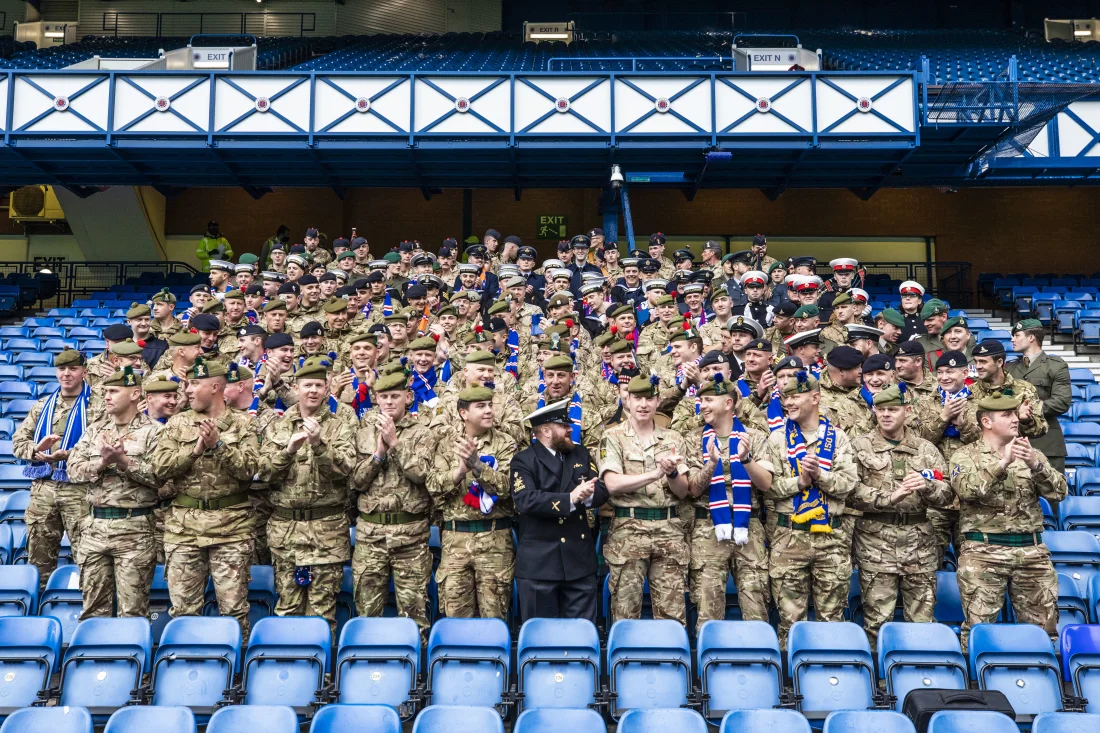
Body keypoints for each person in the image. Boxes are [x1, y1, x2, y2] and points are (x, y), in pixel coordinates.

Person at [151, 357, 260, 641]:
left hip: (232, 528)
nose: (186, 390)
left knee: (234, 610)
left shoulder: (243, 424)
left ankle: (235, 676)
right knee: (184, 610)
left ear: (215, 386)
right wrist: (196, 450)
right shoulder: (178, 423)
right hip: (184, 529)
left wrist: (219, 446)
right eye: (187, 383)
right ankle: (188, 667)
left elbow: (250, 470)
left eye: (194, 384)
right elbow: (160, 469)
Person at [949, 389, 1067, 651]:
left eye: (1015, 413)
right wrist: (1002, 463)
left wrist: (1036, 465)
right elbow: (967, 491)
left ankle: (1041, 683)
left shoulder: (1030, 453)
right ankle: (977, 688)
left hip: (1031, 553)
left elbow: (1059, 492)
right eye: (1007, 414)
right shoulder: (965, 456)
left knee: (1043, 632)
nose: (1015, 419)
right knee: (980, 631)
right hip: (983, 552)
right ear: (986, 422)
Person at [848, 384, 953, 648]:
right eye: (880, 409)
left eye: (892, 410)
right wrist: (888, 498)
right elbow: (848, 490)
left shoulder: (925, 449)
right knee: (877, 621)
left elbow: (948, 493)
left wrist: (927, 487)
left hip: (919, 542)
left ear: (907, 411)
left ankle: (921, 675)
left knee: (922, 620)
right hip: (875, 543)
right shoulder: (859, 446)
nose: (885, 415)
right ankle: (880, 683)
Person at [258, 357, 354, 637]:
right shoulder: (279, 425)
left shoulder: (340, 424)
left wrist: (320, 445)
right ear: (296, 389)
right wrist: (288, 451)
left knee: (322, 612)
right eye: (307, 385)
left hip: (326, 530)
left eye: (318, 386)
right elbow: (263, 472)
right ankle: (288, 670)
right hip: (285, 531)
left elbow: (346, 470)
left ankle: (320, 673)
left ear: (326, 390)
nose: (312, 391)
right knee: (287, 607)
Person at [765, 370, 858, 647]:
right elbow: (768, 489)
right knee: (789, 621)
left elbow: (847, 485)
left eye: (795, 396)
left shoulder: (838, 438)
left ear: (815, 397)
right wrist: (801, 481)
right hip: (789, 537)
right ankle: (791, 684)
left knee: (832, 619)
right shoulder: (776, 439)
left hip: (832, 538)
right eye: (785, 397)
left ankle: (830, 680)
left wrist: (820, 475)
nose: (789, 403)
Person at [599, 374, 697, 626]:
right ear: (627, 401)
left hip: (668, 530)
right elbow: (611, 483)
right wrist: (655, 473)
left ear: (657, 402)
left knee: (672, 615)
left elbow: (683, 491)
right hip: (628, 531)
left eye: (649, 399)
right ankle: (624, 664)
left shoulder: (673, 438)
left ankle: (672, 664)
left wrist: (672, 473)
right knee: (625, 612)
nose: (643, 404)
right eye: (637, 398)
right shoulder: (613, 436)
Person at [66, 366, 162, 619]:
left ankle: (128, 655)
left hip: (135, 528)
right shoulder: (95, 430)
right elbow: (73, 470)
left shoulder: (154, 432)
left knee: (133, 610)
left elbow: (162, 478)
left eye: (113, 391)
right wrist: (101, 463)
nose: (106, 396)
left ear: (134, 394)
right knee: (93, 609)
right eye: (106, 391)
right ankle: (94, 658)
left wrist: (123, 462)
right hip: (94, 526)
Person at [686, 375, 774, 636]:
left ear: (728, 403)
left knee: (755, 604)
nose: (702, 405)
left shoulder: (755, 437)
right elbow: (691, 488)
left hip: (750, 529)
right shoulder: (693, 439)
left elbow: (766, 483)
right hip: (708, 529)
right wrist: (711, 464)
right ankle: (708, 670)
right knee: (708, 609)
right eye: (701, 400)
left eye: (708, 400)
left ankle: (760, 667)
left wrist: (746, 459)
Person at [351, 371, 434, 635]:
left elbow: (421, 475)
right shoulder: (362, 433)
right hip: (370, 536)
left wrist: (395, 443)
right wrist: (377, 454)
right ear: (376, 399)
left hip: (410, 537)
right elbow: (355, 482)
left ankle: (416, 674)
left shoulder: (423, 434)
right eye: (383, 397)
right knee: (367, 614)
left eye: (395, 396)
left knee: (414, 617)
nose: (389, 402)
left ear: (408, 397)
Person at [511, 399, 609, 624]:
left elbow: (601, 489)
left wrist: (589, 496)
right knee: (541, 640)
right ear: (545, 430)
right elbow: (525, 500)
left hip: (579, 563)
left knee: (580, 637)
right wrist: (570, 499)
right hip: (539, 566)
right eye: (563, 425)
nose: (570, 429)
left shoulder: (580, 454)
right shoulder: (524, 461)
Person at [426, 385, 517, 619]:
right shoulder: (447, 444)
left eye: (490, 405)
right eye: (480, 406)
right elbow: (433, 487)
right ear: (463, 413)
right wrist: (459, 471)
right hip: (456, 541)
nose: (488, 411)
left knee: (494, 618)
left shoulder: (506, 443)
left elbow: (508, 488)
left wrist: (477, 465)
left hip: (495, 541)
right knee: (456, 619)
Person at [13, 348, 94, 593]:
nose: (66, 374)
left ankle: (90, 609)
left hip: (80, 491)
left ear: (84, 372)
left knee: (88, 556)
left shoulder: (98, 405)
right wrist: (37, 448)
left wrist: (70, 455)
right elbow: (18, 443)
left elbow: (104, 445)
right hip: (43, 491)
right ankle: (38, 610)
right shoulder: (42, 406)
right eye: (61, 369)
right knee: (39, 559)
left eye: (73, 369)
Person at [1008, 318, 1071, 473]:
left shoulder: (1055, 365)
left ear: (1031, 338)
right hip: (1014, 442)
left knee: (1051, 491)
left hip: (1047, 443)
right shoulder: (1009, 368)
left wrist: (1029, 410)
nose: (1012, 339)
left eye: (1017, 335)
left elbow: (1061, 402)